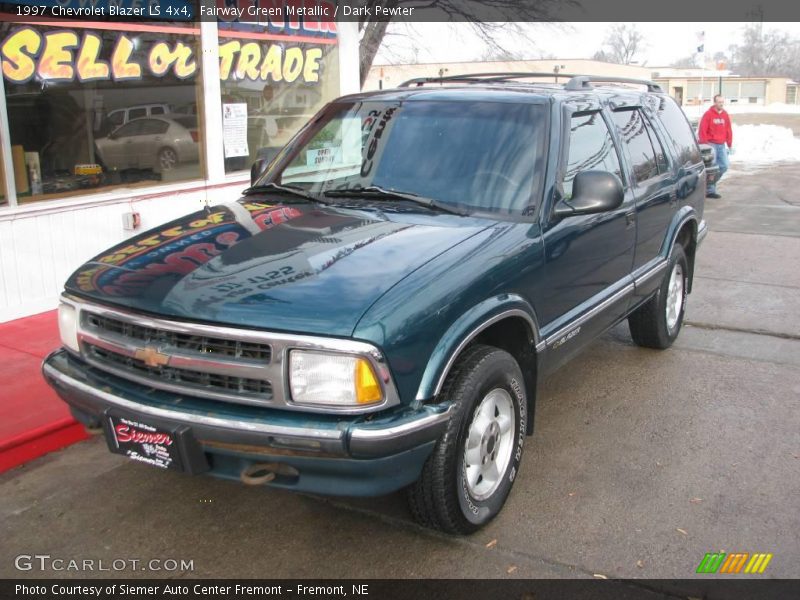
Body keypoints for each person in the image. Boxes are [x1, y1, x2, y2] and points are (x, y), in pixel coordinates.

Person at [698, 94, 733, 199]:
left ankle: (709, 184)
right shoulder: (708, 114)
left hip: (721, 145)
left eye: (722, 102)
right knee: (712, 168)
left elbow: (728, 130)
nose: (721, 104)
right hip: (711, 144)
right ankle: (710, 191)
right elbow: (702, 130)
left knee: (724, 166)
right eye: (719, 102)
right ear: (714, 103)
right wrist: (705, 144)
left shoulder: (725, 115)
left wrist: (729, 143)